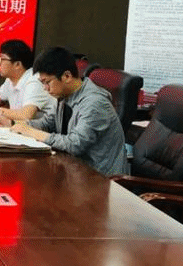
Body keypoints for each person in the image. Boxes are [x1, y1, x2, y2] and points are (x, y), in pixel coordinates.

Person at [12, 46, 126, 176]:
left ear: (67, 76)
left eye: (47, 82)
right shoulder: (64, 96)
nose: (45, 88)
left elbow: (75, 145)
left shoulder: (95, 103)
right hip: (73, 170)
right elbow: (46, 123)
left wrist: (32, 132)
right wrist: (15, 125)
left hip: (99, 179)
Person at [0, 39, 54, 123]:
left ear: (17, 65)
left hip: (43, 129)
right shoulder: (10, 79)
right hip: (22, 128)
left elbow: (26, 115)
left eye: (2, 59)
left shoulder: (34, 81)